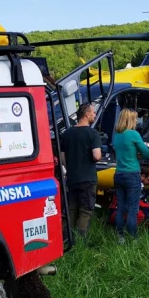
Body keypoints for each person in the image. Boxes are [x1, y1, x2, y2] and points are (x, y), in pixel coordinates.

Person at [59, 103, 102, 246]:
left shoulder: (67, 133)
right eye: (94, 113)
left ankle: (67, 240)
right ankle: (80, 243)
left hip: (72, 178)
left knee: (71, 209)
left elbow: (62, 157)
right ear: (87, 114)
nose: (95, 115)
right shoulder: (92, 133)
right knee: (85, 210)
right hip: (88, 178)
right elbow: (96, 156)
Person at [112, 108, 149, 243]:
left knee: (120, 207)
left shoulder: (116, 135)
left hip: (118, 174)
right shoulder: (134, 134)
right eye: (135, 118)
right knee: (132, 209)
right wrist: (140, 153)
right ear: (130, 120)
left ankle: (120, 237)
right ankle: (133, 238)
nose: (136, 121)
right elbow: (147, 154)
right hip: (132, 173)